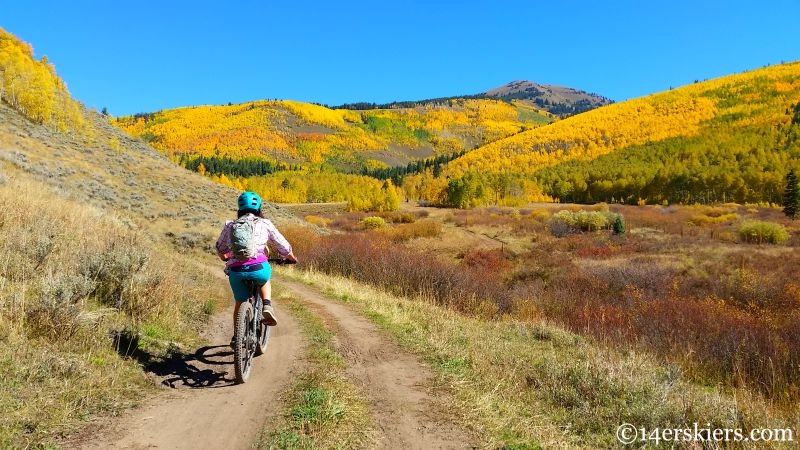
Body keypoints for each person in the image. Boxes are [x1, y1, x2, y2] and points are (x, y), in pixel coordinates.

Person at [215, 191, 297, 344]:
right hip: (258, 266)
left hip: (236, 270)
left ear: (239, 209)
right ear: (259, 208)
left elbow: (220, 247)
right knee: (264, 279)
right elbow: (283, 246)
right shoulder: (265, 223)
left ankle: (236, 337)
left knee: (239, 303)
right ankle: (267, 305)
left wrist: (224, 257)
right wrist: (291, 257)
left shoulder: (231, 225)